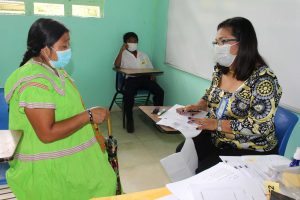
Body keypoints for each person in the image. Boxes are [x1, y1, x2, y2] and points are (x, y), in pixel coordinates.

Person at [4, 18, 117, 199]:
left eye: (68, 45)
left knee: (105, 185)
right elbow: (47, 133)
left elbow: (67, 111)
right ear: (45, 49)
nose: (68, 50)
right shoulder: (35, 84)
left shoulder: (56, 70)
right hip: (49, 169)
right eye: (64, 46)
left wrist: (94, 136)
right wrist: (88, 115)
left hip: (72, 156)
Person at [176, 17, 282, 173]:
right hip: (218, 137)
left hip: (251, 147)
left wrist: (216, 124)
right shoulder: (221, 70)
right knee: (182, 154)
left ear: (243, 43)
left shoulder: (264, 79)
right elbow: (210, 95)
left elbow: (260, 126)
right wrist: (198, 105)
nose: (218, 47)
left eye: (223, 41)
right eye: (216, 42)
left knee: (206, 172)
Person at [114, 32, 164, 133]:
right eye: (130, 41)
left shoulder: (143, 54)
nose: (133, 43)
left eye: (135, 41)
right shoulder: (123, 54)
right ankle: (130, 120)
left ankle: (156, 116)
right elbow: (116, 65)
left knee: (160, 92)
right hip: (131, 79)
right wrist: (121, 50)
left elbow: (150, 68)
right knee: (128, 95)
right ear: (125, 43)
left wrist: (152, 75)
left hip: (144, 79)